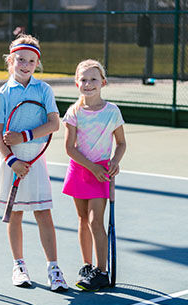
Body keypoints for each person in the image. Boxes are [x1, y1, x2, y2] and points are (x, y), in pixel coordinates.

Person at [0, 34, 69, 292]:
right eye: (21, 59)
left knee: (43, 213)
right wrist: (11, 160)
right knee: (15, 214)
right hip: (11, 161)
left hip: (34, 160)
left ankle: (53, 269)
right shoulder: (2, 94)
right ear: (11, 60)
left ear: (37, 63)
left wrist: (25, 136)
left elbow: (55, 123)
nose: (25, 64)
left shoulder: (44, 90)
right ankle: (19, 266)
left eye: (31, 61)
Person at [62, 59, 126, 291]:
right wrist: (92, 167)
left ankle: (101, 271)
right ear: (76, 83)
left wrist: (114, 162)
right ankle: (87, 265)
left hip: (101, 174)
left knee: (94, 221)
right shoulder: (74, 112)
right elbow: (69, 148)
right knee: (81, 219)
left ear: (103, 83)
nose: (88, 84)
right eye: (84, 80)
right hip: (80, 169)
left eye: (93, 79)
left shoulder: (112, 112)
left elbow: (120, 143)